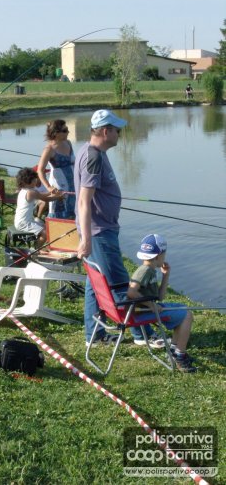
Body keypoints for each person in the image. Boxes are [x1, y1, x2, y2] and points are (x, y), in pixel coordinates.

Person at [74, 109, 161, 348]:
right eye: (116, 130)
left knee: (96, 285)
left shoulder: (92, 152)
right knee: (122, 284)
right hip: (99, 232)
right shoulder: (92, 156)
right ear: (105, 131)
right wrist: (87, 239)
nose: (119, 134)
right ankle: (143, 334)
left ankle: (95, 335)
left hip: (100, 230)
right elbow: (83, 200)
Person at [127, 234, 197, 373]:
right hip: (144, 312)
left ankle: (173, 351)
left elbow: (160, 297)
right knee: (187, 315)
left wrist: (165, 275)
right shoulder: (144, 271)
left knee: (184, 310)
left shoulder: (150, 270)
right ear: (159, 255)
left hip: (148, 309)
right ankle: (179, 355)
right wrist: (152, 306)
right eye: (164, 255)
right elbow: (131, 292)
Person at [14, 167, 65, 248]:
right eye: (35, 179)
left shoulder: (23, 190)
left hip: (21, 221)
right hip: (24, 223)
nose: (37, 180)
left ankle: (38, 246)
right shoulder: (31, 192)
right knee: (45, 233)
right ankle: (35, 251)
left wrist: (51, 192)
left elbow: (42, 195)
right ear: (28, 181)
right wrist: (58, 197)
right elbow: (46, 199)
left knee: (46, 227)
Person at [37, 119, 75, 219]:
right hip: (59, 185)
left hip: (73, 184)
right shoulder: (49, 149)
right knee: (59, 212)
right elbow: (40, 171)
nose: (68, 132)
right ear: (56, 133)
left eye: (67, 129)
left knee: (74, 211)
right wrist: (49, 187)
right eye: (65, 130)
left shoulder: (68, 143)